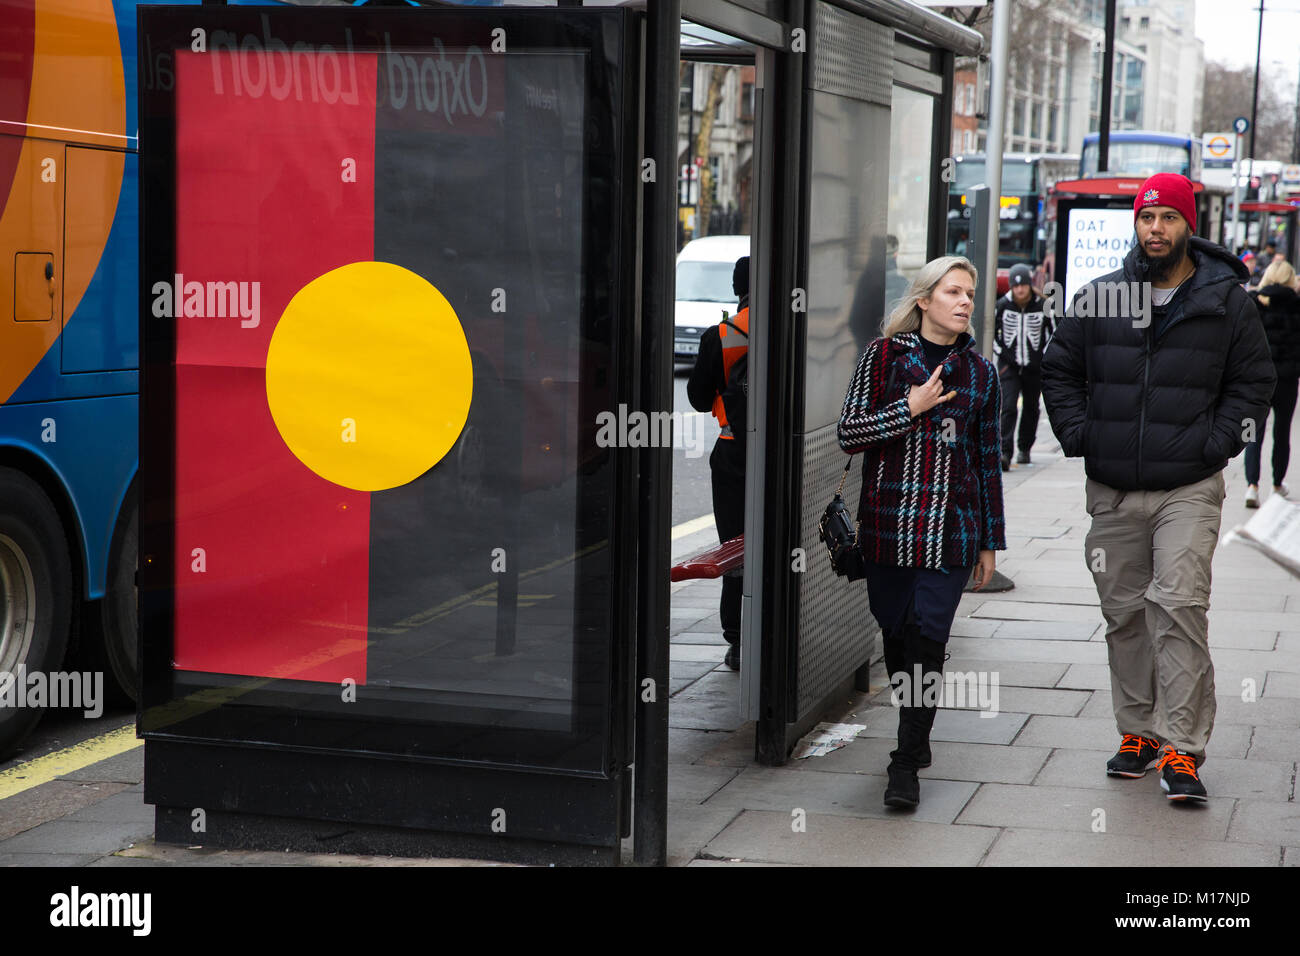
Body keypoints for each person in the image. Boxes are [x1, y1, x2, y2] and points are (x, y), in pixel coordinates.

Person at [1041, 172, 1275, 803]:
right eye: (1146, 218)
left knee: (1177, 608)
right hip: (1112, 486)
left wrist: (1216, 442)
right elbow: (1058, 369)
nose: (1155, 229)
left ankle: (1182, 747)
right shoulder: (1102, 297)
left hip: (1189, 486)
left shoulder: (1226, 301)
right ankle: (1137, 733)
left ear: (1187, 225)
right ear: (1135, 224)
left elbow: (1255, 385)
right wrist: (1082, 433)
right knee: (1124, 615)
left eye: (1168, 218)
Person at [837, 255, 1005, 810]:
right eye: (953, 292)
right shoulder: (882, 357)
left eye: (970, 295)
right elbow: (849, 433)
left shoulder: (980, 373)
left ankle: (906, 759)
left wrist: (989, 541)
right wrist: (908, 407)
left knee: (929, 643)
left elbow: (986, 461)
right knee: (897, 638)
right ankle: (914, 727)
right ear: (923, 299)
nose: (964, 303)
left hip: (951, 534)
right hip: (886, 529)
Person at [687, 256, 749, 670]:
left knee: (736, 546)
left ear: (737, 287)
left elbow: (695, 397)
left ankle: (738, 640)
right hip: (787, 453)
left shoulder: (724, 334)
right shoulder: (802, 327)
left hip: (734, 454)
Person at [1244, 258, 1300, 507]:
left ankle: (1252, 487)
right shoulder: (1297, 306)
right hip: (1287, 379)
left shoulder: (1255, 303)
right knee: (1282, 432)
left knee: (1253, 434)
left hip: (1258, 380)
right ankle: (1277, 485)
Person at [993, 263, 1054, 471]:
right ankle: (1004, 452)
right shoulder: (1002, 305)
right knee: (1008, 406)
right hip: (1008, 366)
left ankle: (1025, 448)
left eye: (1023, 286)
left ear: (1029, 285)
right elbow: (992, 333)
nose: (1020, 290)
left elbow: (1053, 334)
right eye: (1016, 286)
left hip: (1034, 367)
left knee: (1031, 407)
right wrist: (1003, 354)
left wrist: (1042, 358)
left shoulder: (1043, 306)